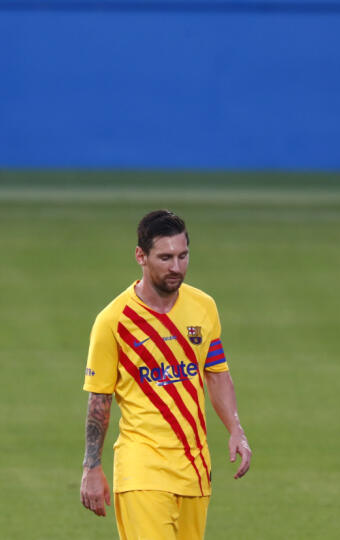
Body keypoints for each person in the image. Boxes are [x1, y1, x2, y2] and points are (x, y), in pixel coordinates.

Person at [79, 210, 252, 540]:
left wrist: (235, 429)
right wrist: (91, 466)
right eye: (165, 257)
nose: (176, 267)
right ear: (140, 256)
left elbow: (216, 373)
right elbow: (99, 398)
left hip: (195, 471)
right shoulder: (114, 320)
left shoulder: (204, 307)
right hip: (141, 470)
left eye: (183, 255)